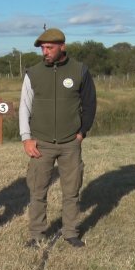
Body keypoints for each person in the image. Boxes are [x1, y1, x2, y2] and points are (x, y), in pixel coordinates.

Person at [19, 28, 97, 248]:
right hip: (40, 142)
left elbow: (90, 104)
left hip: (70, 143)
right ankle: (37, 234)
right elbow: (24, 107)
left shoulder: (79, 70)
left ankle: (70, 232)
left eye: (50, 47)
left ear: (63, 46)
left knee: (71, 191)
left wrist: (82, 132)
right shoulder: (33, 73)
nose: (45, 52)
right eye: (43, 48)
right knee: (37, 191)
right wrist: (26, 138)